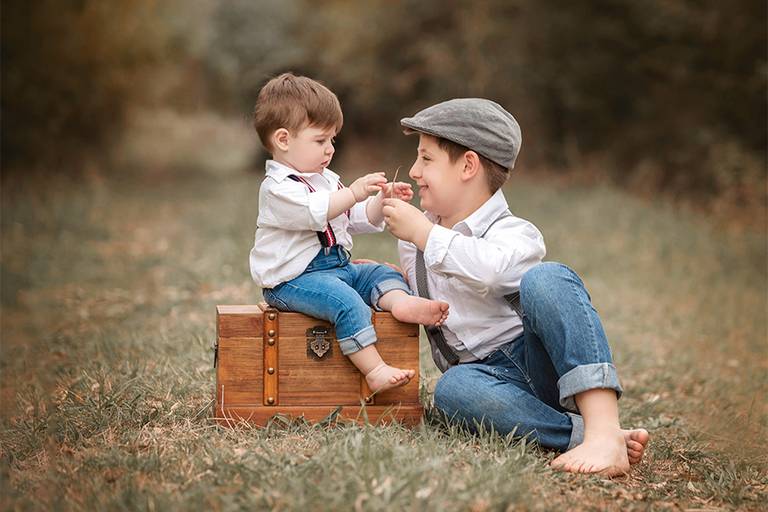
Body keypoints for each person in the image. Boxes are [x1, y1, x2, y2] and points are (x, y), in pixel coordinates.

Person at [381, 98, 650, 476]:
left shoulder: (516, 234)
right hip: (485, 378)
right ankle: (588, 437)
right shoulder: (414, 242)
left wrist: (425, 234)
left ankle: (604, 425)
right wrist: (382, 278)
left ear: (468, 166)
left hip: (543, 365)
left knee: (548, 278)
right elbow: (416, 294)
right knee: (451, 390)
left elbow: (490, 270)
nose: (413, 170)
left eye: (426, 159)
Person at [248, 73, 449, 394]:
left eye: (332, 141)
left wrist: (381, 200)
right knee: (347, 301)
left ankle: (400, 303)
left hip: (337, 269)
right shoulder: (278, 188)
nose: (329, 149)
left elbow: (353, 217)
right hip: (293, 281)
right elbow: (315, 211)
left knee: (378, 272)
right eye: (320, 140)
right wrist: (354, 191)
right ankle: (374, 369)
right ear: (283, 140)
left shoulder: (324, 179)